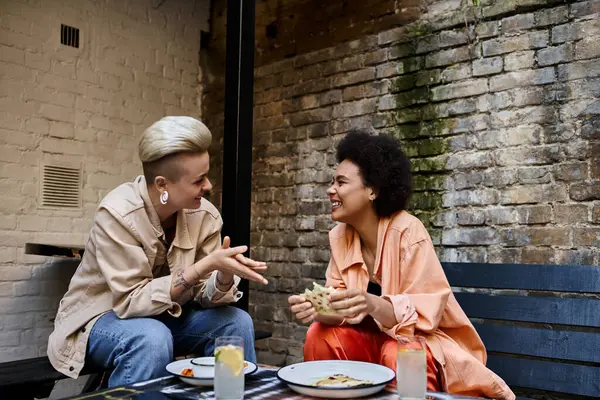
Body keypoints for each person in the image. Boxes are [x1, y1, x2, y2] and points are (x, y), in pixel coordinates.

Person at [288, 130, 515, 399]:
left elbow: (424, 317)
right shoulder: (341, 236)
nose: (331, 190)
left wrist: (371, 303)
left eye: (341, 182)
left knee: (400, 352)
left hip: (425, 348)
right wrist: (317, 308)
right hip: (376, 346)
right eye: (332, 182)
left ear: (372, 190)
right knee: (321, 334)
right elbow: (340, 308)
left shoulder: (408, 231)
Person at [48, 116, 268, 387]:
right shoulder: (117, 214)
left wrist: (222, 276)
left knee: (236, 322)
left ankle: (230, 393)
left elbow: (203, 294)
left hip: (167, 317)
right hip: (101, 319)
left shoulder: (205, 216)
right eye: (199, 180)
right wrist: (200, 267)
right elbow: (130, 302)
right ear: (163, 185)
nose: (209, 186)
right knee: (151, 337)